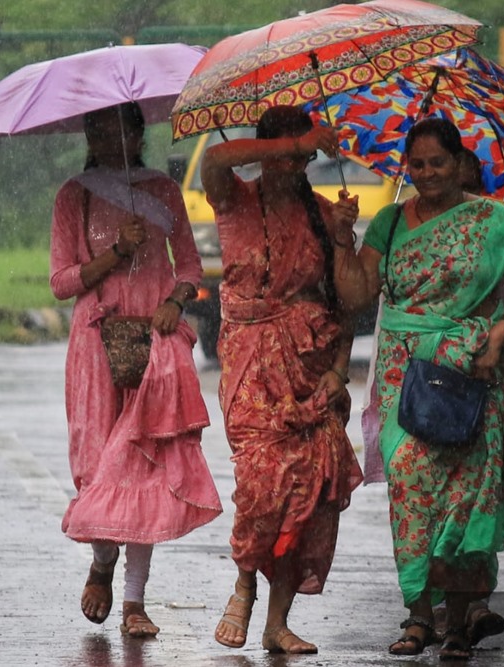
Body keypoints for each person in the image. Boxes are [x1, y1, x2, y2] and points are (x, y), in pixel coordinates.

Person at [332, 117, 504, 660]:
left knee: (462, 503)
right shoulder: (388, 223)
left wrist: (502, 334)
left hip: (473, 375)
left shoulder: (494, 221)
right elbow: (357, 296)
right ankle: (418, 616)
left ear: (459, 164)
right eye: (418, 164)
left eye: (438, 162)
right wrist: (343, 237)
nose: (428, 173)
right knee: (411, 492)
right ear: (405, 167)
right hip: (403, 381)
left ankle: (456, 624)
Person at [50, 102, 222, 639]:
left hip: (155, 341)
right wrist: (114, 254)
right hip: (96, 347)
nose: (108, 136)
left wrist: (176, 298)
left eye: (118, 126)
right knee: (101, 464)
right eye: (97, 126)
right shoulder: (73, 195)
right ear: (88, 133)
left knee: (146, 465)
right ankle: (102, 561)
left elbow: (190, 266)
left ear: (136, 131)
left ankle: (133, 599)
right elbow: (61, 281)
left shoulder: (163, 191)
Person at [200, 105, 364, 655]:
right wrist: (292, 145)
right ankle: (245, 579)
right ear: (271, 149)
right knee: (262, 485)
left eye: (306, 154)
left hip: (312, 371)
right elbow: (219, 156)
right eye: (290, 152)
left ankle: (277, 621)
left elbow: (348, 306)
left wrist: (344, 242)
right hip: (251, 367)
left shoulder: (322, 214)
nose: (298, 164)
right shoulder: (233, 198)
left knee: (310, 498)